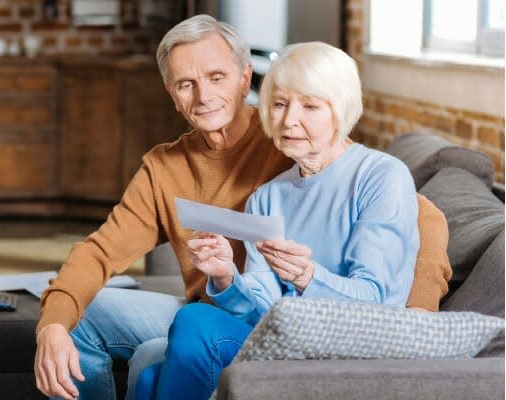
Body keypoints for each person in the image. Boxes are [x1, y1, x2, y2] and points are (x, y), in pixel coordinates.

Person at [34, 15, 451, 400]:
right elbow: (100, 251)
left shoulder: (290, 140)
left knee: (161, 354)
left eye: (217, 76)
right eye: (186, 84)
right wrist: (51, 324)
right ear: (172, 95)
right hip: (233, 307)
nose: (204, 96)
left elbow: (423, 216)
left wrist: (414, 316)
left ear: (244, 78)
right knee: (77, 315)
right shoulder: (173, 169)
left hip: (287, 321)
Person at [135, 41, 425, 400]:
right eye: (279, 104)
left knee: (194, 321)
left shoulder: (381, 177)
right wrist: (226, 276)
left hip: (349, 348)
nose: (289, 120)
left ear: (341, 109)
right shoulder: (269, 196)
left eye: (309, 106)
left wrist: (307, 276)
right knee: (150, 380)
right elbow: (261, 308)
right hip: (285, 339)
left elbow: (374, 300)